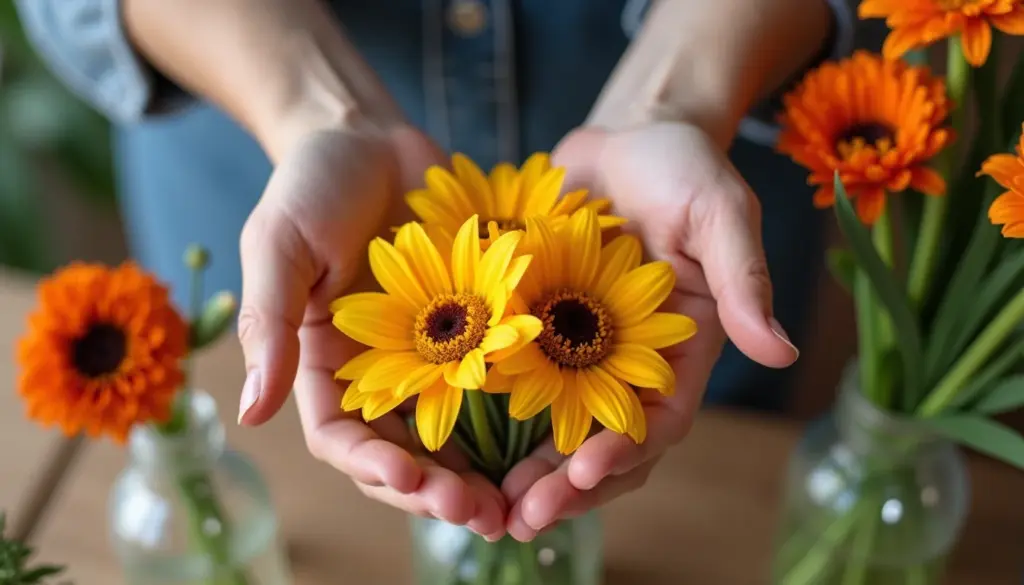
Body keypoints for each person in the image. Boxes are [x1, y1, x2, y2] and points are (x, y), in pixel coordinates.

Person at [16, 0, 861, 542]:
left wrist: (675, 101)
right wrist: (311, 113)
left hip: (657, 226)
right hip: (279, 187)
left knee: (713, 501)